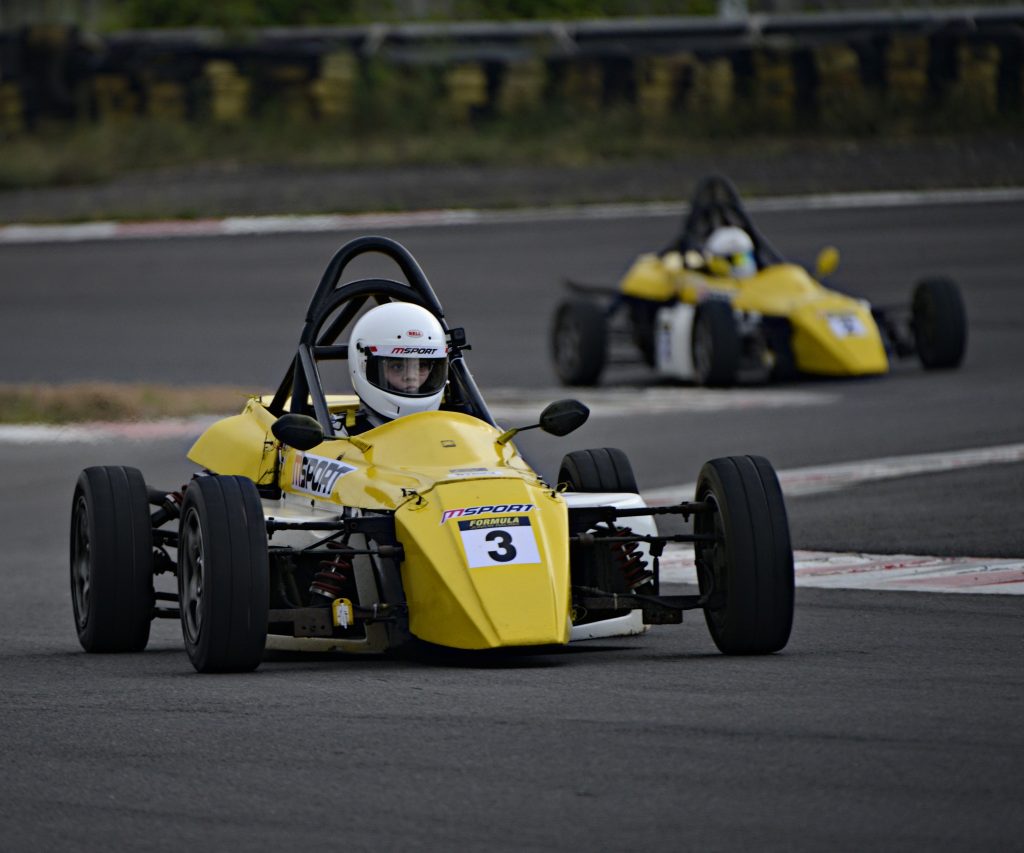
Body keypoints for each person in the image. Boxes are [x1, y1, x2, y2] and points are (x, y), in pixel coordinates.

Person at [346, 301, 448, 430]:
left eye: (421, 366)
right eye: (397, 367)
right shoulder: (339, 435)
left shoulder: (454, 424)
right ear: (365, 366)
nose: (411, 377)